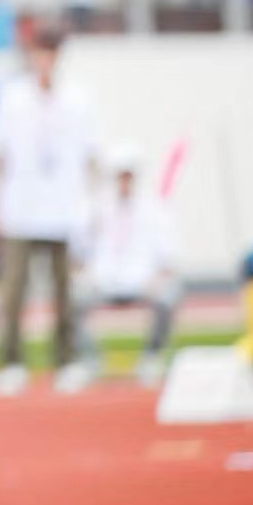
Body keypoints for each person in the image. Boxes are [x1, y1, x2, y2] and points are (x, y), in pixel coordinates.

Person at [0, 23, 98, 395]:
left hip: (64, 207)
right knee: (13, 291)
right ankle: (10, 362)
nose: (45, 60)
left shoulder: (78, 99)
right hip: (20, 205)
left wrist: (91, 207)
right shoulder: (11, 98)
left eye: (52, 52)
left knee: (64, 292)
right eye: (40, 52)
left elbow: (89, 157)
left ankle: (66, 360)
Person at [84, 143, 180, 386]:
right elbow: (82, 248)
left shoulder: (154, 208)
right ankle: (88, 360)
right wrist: (88, 274)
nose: (124, 182)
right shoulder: (97, 207)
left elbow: (168, 254)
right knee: (72, 296)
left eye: (128, 176)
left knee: (170, 293)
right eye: (119, 176)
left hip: (142, 280)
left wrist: (158, 277)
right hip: (103, 280)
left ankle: (152, 357)